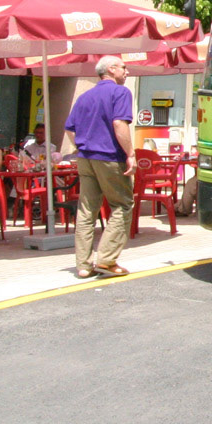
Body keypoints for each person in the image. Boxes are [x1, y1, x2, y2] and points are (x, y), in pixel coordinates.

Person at [64, 56, 135, 279]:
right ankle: (106, 259)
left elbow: (70, 129)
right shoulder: (120, 92)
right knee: (122, 204)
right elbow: (119, 123)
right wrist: (130, 153)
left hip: (86, 158)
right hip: (109, 157)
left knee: (87, 210)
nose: (127, 72)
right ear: (111, 69)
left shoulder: (84, 96)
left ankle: (83, 265)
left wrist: (82, 146)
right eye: (124, 68)